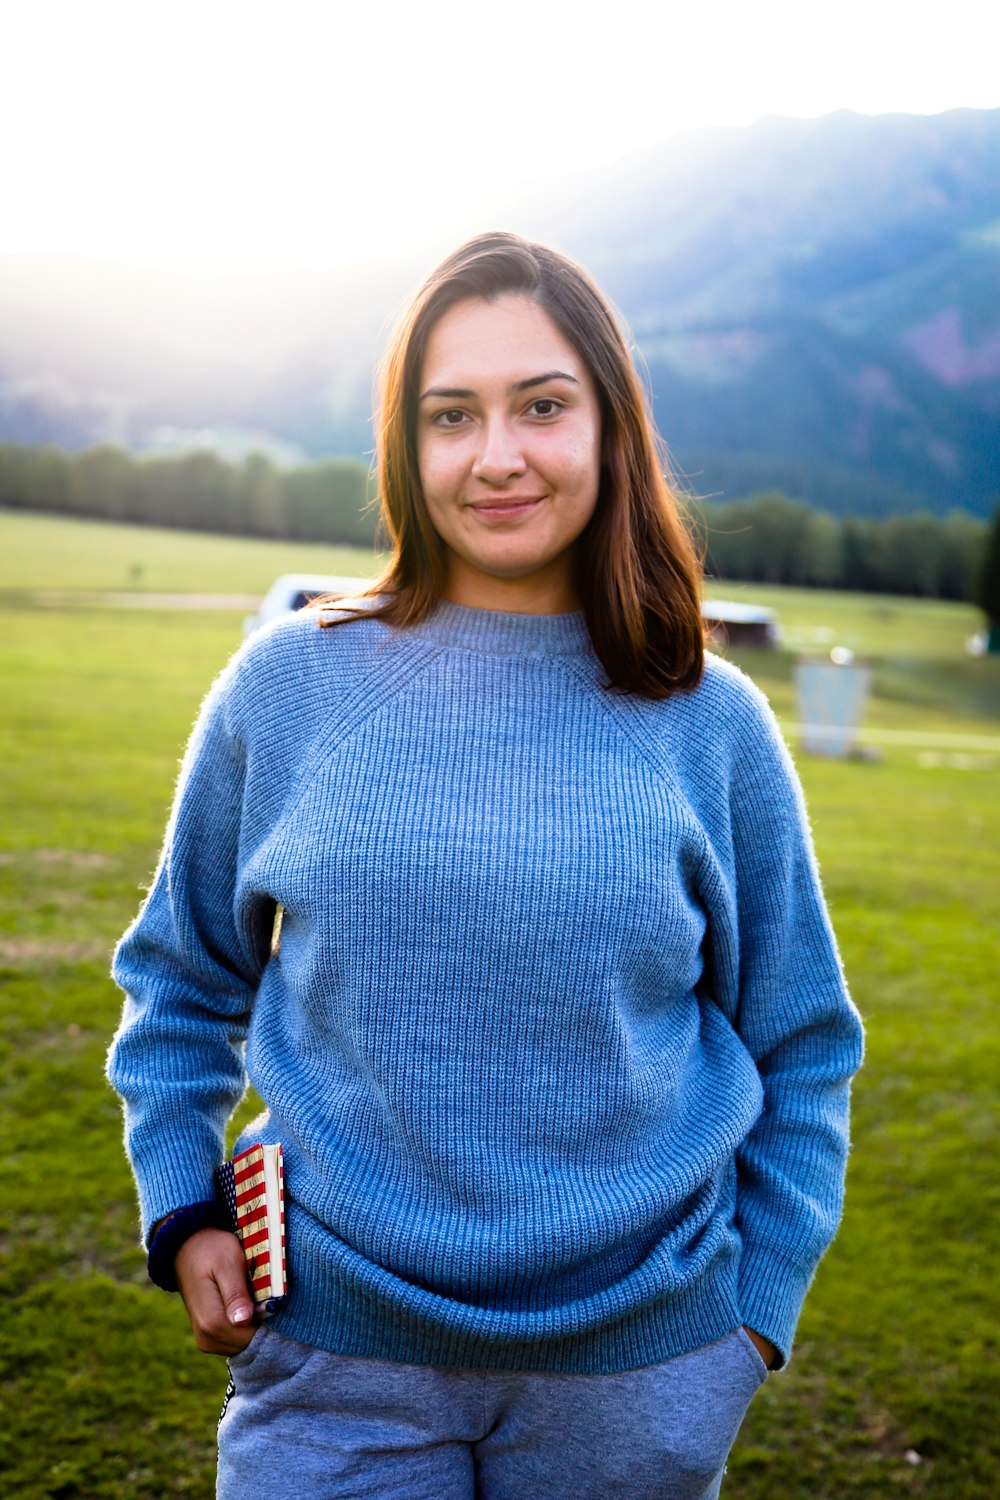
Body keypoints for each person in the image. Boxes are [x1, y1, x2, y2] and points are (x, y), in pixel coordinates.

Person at [107, 230, 864, 1499]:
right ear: (404, 447)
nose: (496, 455)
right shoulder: (288, 688)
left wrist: (748, 1321)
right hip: (332, 1362)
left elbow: (802, 1039)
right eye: (449, 414)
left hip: (638, 1378)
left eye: (542, 406)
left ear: (611, 429)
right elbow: (179, 984)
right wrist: (182, 1208)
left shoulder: (708, 720)